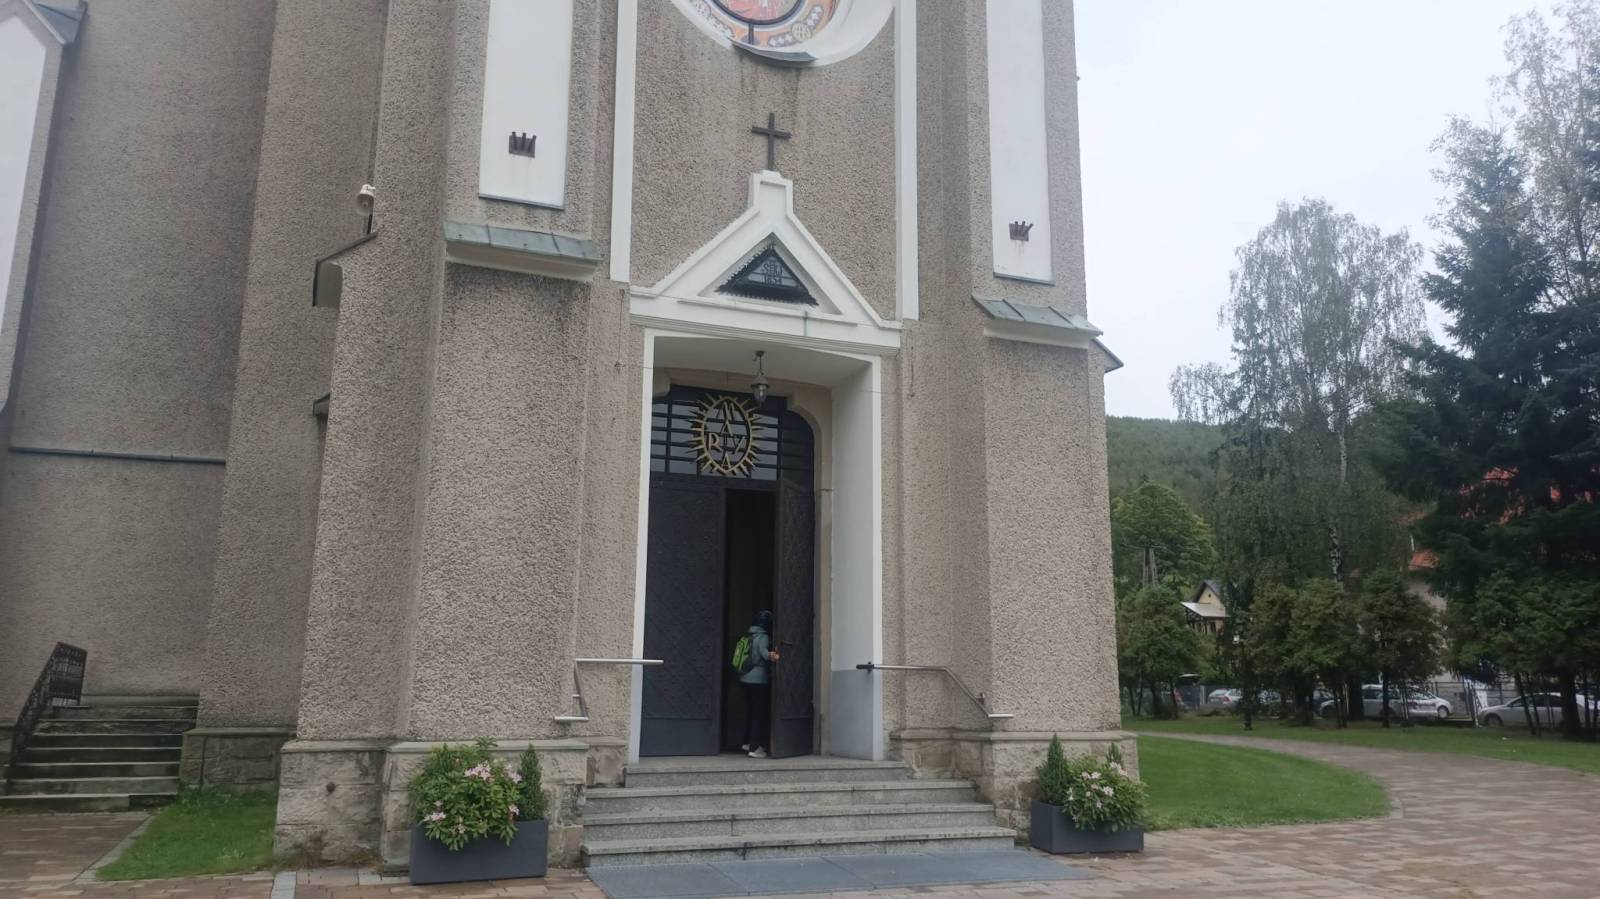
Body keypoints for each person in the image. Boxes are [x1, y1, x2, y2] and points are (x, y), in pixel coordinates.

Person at [739, 609, 780, 758]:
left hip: (744, 678)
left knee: (750, 711)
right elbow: (764, 654)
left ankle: (746, 743)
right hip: (758, 680)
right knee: (758, 714)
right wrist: (774, 655)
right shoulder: (763, 636)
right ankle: (754, 748)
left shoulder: (748, 635)